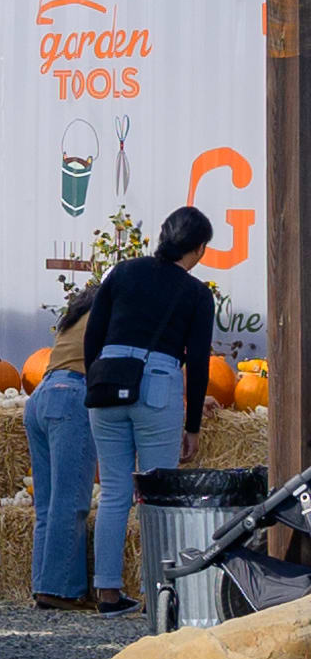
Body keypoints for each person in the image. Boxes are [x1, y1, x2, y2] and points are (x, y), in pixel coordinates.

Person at [84, 209, 221, 613]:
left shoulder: (122, 272)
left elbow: (92, 335)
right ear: (198, 248)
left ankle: (107, 592)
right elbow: (197, 362)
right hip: (158, 382)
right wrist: (192, 424)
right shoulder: (197, 293)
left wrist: (98, 378)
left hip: (108, 381)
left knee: (113, 494)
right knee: (159, 496)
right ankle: (158, 596)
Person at [26, 286, 99, 608]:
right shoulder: (108, 314)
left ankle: (43, 584)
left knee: (46, 503)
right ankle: (60, 591)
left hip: (42, 396)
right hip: (71, 397)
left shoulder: (75, 317)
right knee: (71, 502)